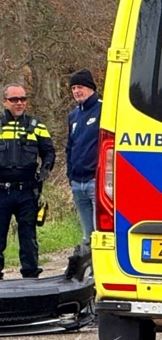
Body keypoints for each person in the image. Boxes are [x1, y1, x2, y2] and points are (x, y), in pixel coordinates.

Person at [0, 84, 55, 281]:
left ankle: (31, 277)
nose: (19, 103)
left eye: (23, 99)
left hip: (27, 190)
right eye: (14, 99)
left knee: (29, 238)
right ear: (4, 102)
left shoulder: (37, 125)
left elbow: (49, 151)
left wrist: (46, 169)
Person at [65, 69, 101, 243]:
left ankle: (101, 269)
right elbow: (69, 147)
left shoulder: (104, 110)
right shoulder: (73, 116)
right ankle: (91, 266)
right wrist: (70, 176)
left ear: (90, 88)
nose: (76, 91)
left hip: (96, 182)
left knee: (100, 233)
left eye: (80, 87)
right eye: (73, 88)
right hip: (78, 183)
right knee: (87, 237)